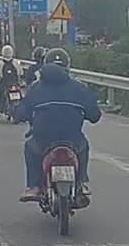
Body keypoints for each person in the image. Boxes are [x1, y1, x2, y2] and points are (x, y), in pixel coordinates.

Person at [13, 47, 102, 202]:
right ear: (67, 66)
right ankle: (81, 182)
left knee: (30, 148)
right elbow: (94, 115)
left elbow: (21, 113)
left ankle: (34, 187)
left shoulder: (36, 88)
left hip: (43, 139)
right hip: (72, 138)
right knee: (83, 147)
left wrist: (19, 113)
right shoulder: (79, 87)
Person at [0, 44, 20, 121]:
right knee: (18, 98)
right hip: (15, 83)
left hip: (4, 84)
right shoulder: (16, 62)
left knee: (1, 97)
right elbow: (20, 72)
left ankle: (0, 113)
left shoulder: (1, 63)